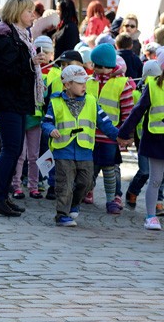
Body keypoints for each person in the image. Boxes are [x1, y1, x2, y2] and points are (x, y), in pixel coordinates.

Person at [0, 0, 45, 217]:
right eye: (29, 11)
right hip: (7, 101)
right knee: (10, 150)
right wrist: (30, 63)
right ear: (17, 12)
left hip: (16, 100)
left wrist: (30, 64)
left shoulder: (20, 35)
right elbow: (3, 72)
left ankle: (3, 196)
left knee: (14, 149)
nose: (33, 16)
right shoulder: (6, 36)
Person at [43, 65, 121, 227]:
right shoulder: (55, 102)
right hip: (63, 150)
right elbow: (46, 122)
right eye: (79, 83)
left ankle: (74, 205)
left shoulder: (92, 101)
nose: (84, 86)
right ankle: (62, 215)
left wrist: (119, 136)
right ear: (67, 85)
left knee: (86, 183)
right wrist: (51, 130)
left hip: (85, 151)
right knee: (64, 184)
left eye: (85, 82)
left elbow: (105, 122)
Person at [85, 44, 134, 213]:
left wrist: (125, 135)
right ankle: (86, 191)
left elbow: (128, 113)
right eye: (97, 66)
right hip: (88, 136)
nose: (100, 69)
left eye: (104, 66)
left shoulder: (122, 84)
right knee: (89, 168)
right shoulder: (88, 82)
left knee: (109, 170)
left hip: (110, 137)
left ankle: (111, 199)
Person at [118, 52, 164, 230]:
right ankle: (151, 216)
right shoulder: (152, 85)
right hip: (157, 139)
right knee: (155, 179)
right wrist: (124, 133)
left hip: (156, 138)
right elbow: (137, 112)